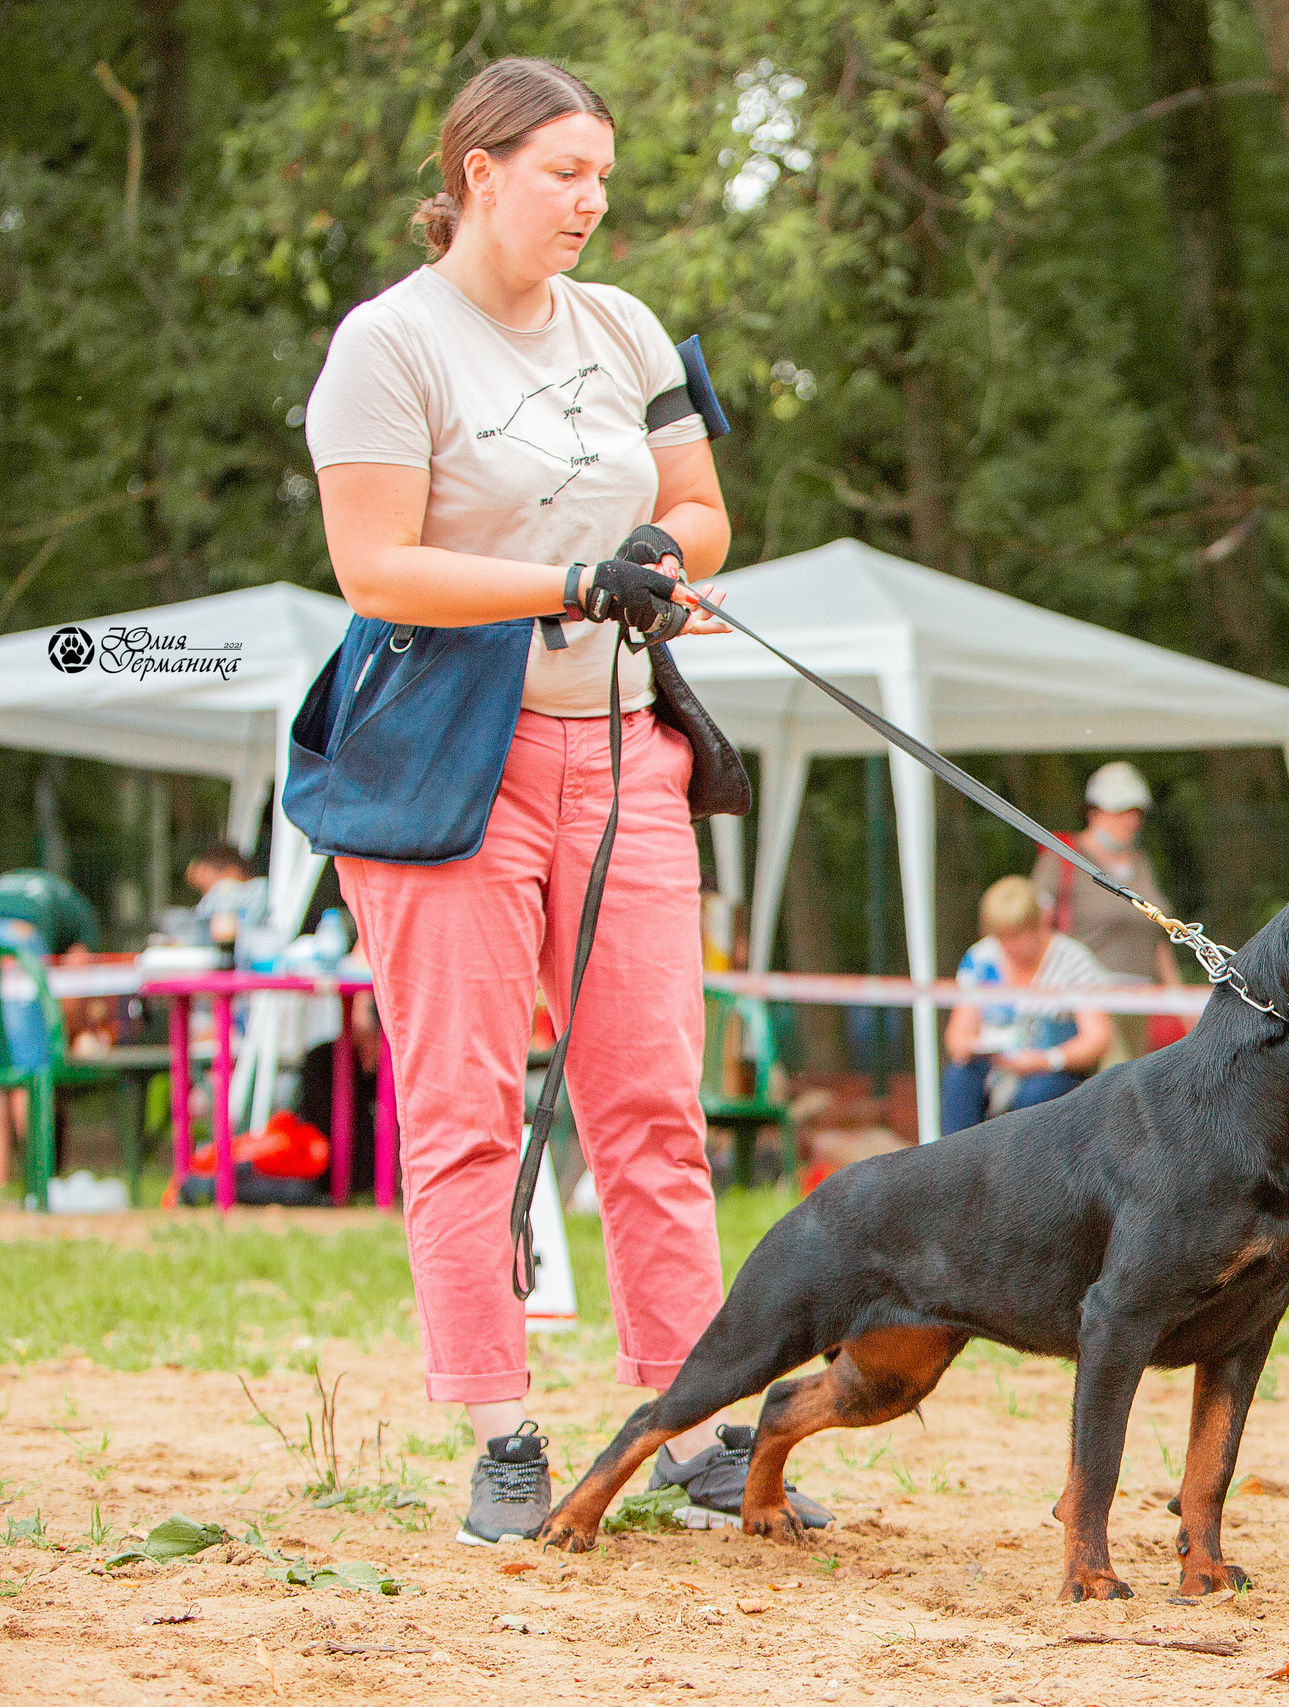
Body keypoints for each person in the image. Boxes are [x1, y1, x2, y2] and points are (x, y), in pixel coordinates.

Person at [300, 57, 820, 1546]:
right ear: (478, 170)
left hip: (621, 752)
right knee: (463, 1111)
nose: (591, 201)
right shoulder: (389, 345)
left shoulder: (627, 326)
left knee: (655, 1105)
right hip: (444, 768)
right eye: (563, 172)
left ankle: (688, 1421)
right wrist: (566, 580)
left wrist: (661, 548)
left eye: (604, 175)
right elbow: (376, 567)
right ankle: (502, 1430)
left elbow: (704, 507)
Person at [1030, 761, 1182, 1060]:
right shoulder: (1061, 859)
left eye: (1135, 812)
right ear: (1093, 812)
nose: (1130, 822)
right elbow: (1037, 930)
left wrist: (1178, 999)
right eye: (1120, 811)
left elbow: (1155, 937)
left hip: (1142, 1002)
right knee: (1116, 1084)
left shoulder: (1141, 863)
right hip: (1087, 1002)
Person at [942, 876, 1113, 1134]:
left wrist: (1047, 1060)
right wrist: (975, 1049)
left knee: (1036, 1096)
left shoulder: (1074, 961)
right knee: (958, 1080)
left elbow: (1098, 1039)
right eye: (1001, 936)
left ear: (1039, 924)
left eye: (1016, 935)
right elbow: (957, 1037)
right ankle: (954, 1166)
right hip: (995, 1071)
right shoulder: (980, 958)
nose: (1007, 946)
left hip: (1054, 1073)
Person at [0, 868, 102, 1196]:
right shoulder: (81, 914)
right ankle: (39, 1183)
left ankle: (2, 1183)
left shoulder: (17, 884)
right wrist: (72, 1031)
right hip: (19, 942)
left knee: (3, 1072)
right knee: (31, 1073)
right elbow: (78, 973)